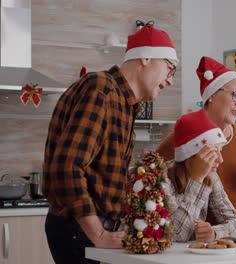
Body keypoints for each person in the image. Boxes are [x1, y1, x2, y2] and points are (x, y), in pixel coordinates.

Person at [42, 25, 178, 264]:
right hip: (80, 229)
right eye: (169, 68)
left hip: (85, 228)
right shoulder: (102, 89)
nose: (170, 80)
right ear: (146, 57)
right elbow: (68, 167)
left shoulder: (123, 102)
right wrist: (99, 234)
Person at [156, 56, 236, 224]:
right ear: (212, 95)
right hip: (206, 242)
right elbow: (150, 182)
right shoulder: (182, 140)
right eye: (235, 95)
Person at [163, 109, 236, 242]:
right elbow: (174, 235)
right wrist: (196, 180)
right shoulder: (162, 178)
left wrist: (215, 233)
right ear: (191, 154)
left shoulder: (211, 177)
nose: (220, 160)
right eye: (212, 152)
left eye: (220, 150)